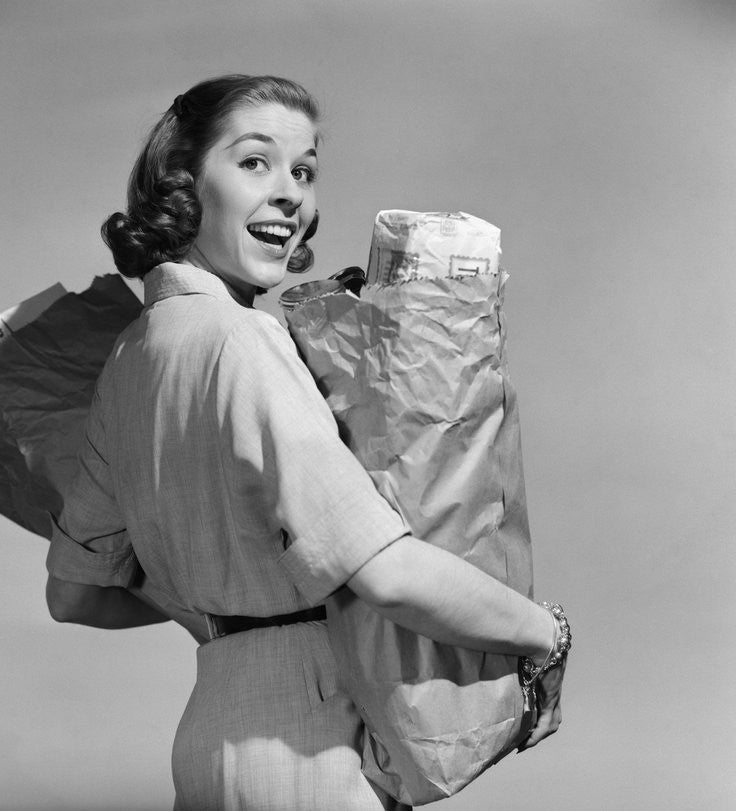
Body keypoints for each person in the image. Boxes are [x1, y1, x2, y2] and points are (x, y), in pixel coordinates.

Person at [45, 75, 568, 810]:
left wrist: (227, 615)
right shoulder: (244, 340)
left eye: (304, 170)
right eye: (255, 162)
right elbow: (387, 574)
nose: (290, 193)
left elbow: (73, 594)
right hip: (314, 744)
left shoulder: (130, 357)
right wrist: (545, 635)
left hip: (207, 739)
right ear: (183, 183)